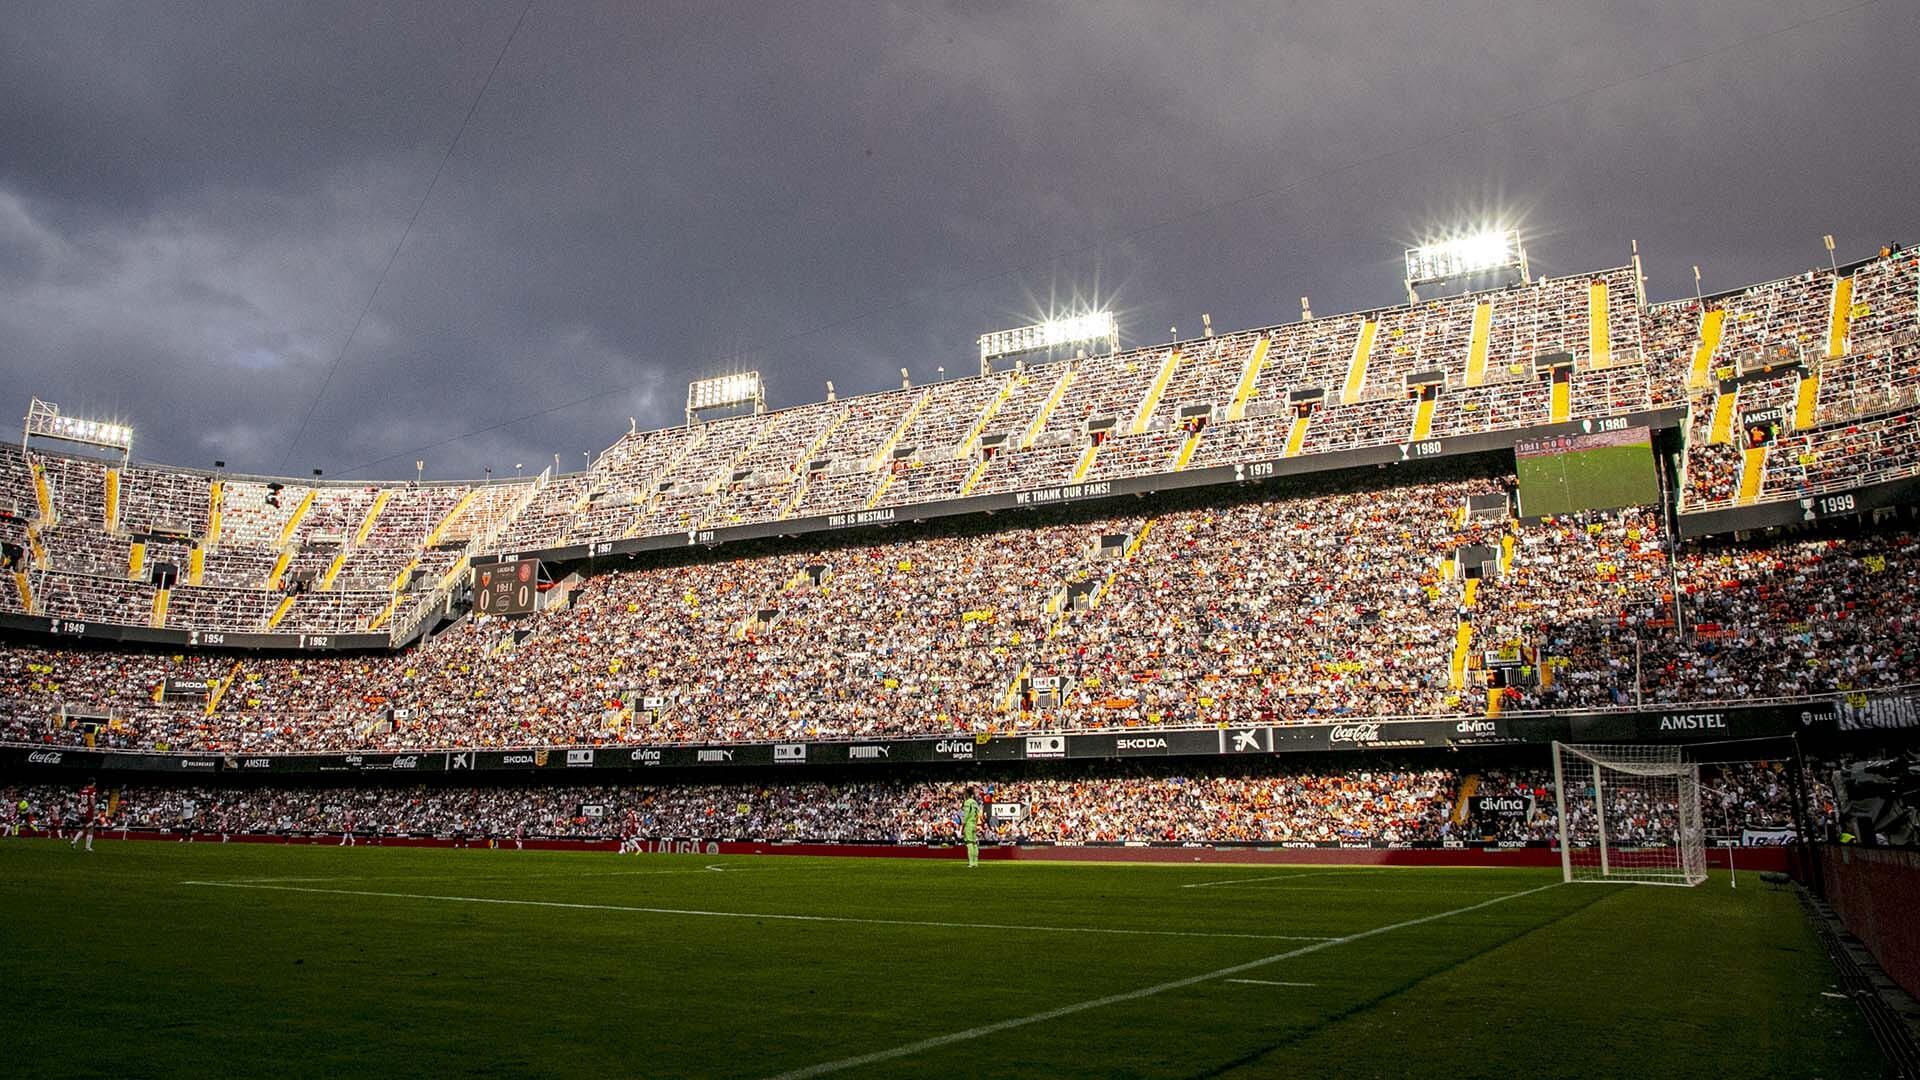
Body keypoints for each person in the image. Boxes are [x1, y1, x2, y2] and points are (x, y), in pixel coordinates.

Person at [69, 778, 98, 853]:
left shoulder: (81, 791)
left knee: (85, 827)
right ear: (93, 783)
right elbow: (92, 801)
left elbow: (76, 800)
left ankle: (75, 841)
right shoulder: (93, 790)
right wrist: (94, 809)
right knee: (90, 828)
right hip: (88, 810)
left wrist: (78, 809)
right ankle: (86, 847)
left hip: (82, 810)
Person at [962, 787, 982, 868]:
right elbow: (978, 815)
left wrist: (963, 826)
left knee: (969, 843)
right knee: (974, 844)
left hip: (969, 824)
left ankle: (971, 863)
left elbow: (966, 815)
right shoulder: (975, 803)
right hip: (974, 824)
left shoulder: (967, 802)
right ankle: (975, 862)